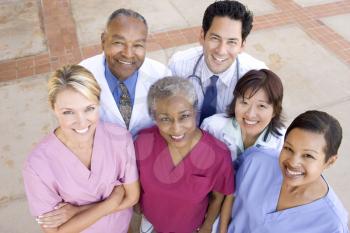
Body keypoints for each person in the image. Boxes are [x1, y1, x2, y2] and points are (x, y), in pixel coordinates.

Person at [22, 65, 139, 233]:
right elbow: (55, 231)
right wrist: (110, 203)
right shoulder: (37, 166)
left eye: (89, 109)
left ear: (98, 103)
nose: (82, 122)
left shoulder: (120, 138)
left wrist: (77, 211)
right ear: (53, 108)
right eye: (68, 112)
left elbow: (132, 197)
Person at [135, 77, 234, 233]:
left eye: (184, 116)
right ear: (154, 118)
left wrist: (207, 225)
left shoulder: (219, 155)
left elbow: (218, 197)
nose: (176, 129)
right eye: (165, 119)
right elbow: (137, 179)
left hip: (189, 228)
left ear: (195, 111)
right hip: (150, 222)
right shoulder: (143, 142)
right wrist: (137, 203)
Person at [228, 110, 349, 233]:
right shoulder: (256, 161)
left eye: (308, 155)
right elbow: (223, 192)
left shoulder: (332, 224)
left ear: (330, 161)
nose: (292, 162)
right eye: (288, 148)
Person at [201, 68, 285, 232]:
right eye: (244, 102)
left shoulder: (281, 142)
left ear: (275, 110)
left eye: (261, 106)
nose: (250, 114)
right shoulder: (212, 127)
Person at [169, 0, 266, 124]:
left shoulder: (258, 77)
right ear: (202, 36)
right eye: (215, 38)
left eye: (232, 42)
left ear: (242, 46)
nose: (221, 51)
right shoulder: (178, 65)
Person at [80, 8, 171, 137]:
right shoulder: (82, 76)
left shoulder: (162, 76)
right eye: (118, 43)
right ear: (103, 41)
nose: (128, 54)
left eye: (137, 45)